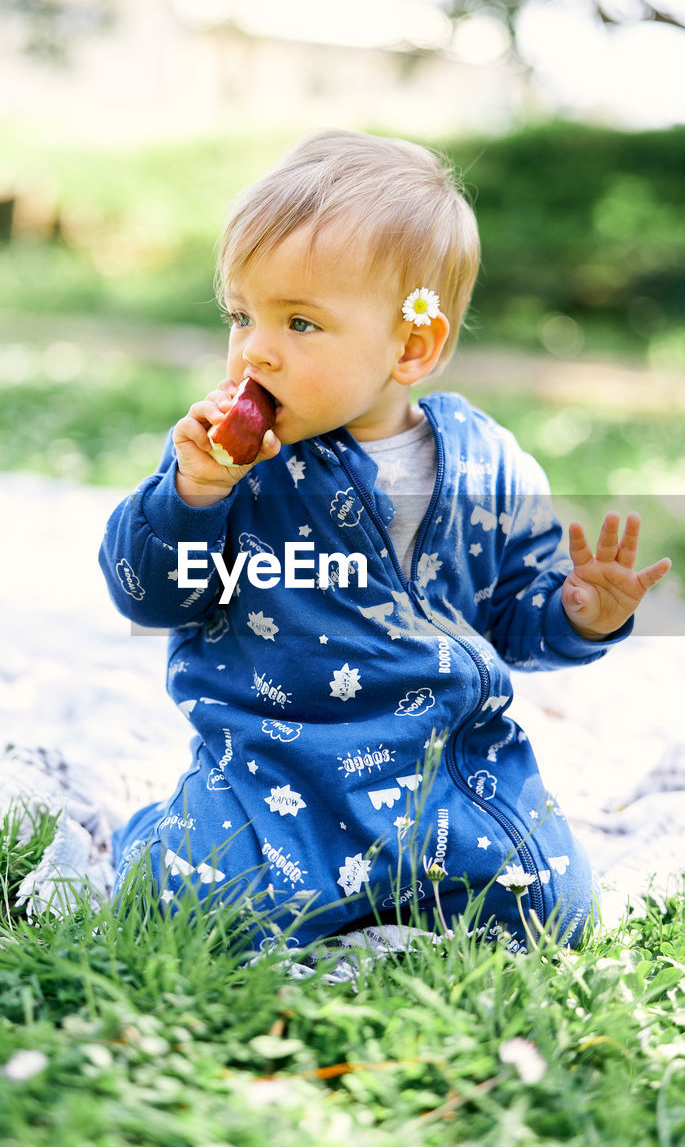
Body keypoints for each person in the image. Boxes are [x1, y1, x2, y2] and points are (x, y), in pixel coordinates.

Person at [99, 129, 670, 953]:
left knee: (558, 911)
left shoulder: (487, 466)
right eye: (241, 314)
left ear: (412, 346)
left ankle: (408, 886)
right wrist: (190, 499)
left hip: (445, 766)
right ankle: (167, 833)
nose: (255, 348)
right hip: (273, 766)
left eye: (299, 322)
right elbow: (148, 594)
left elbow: (514, 618)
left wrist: (579, 614)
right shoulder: (222, 461)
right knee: (184, 908)